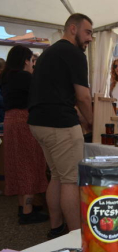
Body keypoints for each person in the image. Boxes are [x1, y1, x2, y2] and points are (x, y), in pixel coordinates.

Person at [28, 13, 93, 238]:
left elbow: (56, 91)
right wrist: (93, 122)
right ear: (73, 29)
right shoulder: (73, 53)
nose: (91, 38)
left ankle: (56, 228)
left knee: (56, 175)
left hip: (38, 123)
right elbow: (83, 96)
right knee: (70, 180)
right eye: (88, 32)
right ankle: (76, 237)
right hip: (60, 125)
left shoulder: (49, 53)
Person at [1, 45, 49, 224]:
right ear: (25, 60)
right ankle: (28, 212)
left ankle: (23, 206)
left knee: (16, 164)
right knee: (28, 163)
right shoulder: (25, 77)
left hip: (10, 120)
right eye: (31, 60)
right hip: (24, 121)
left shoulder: (6, 77)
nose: (32, 64)